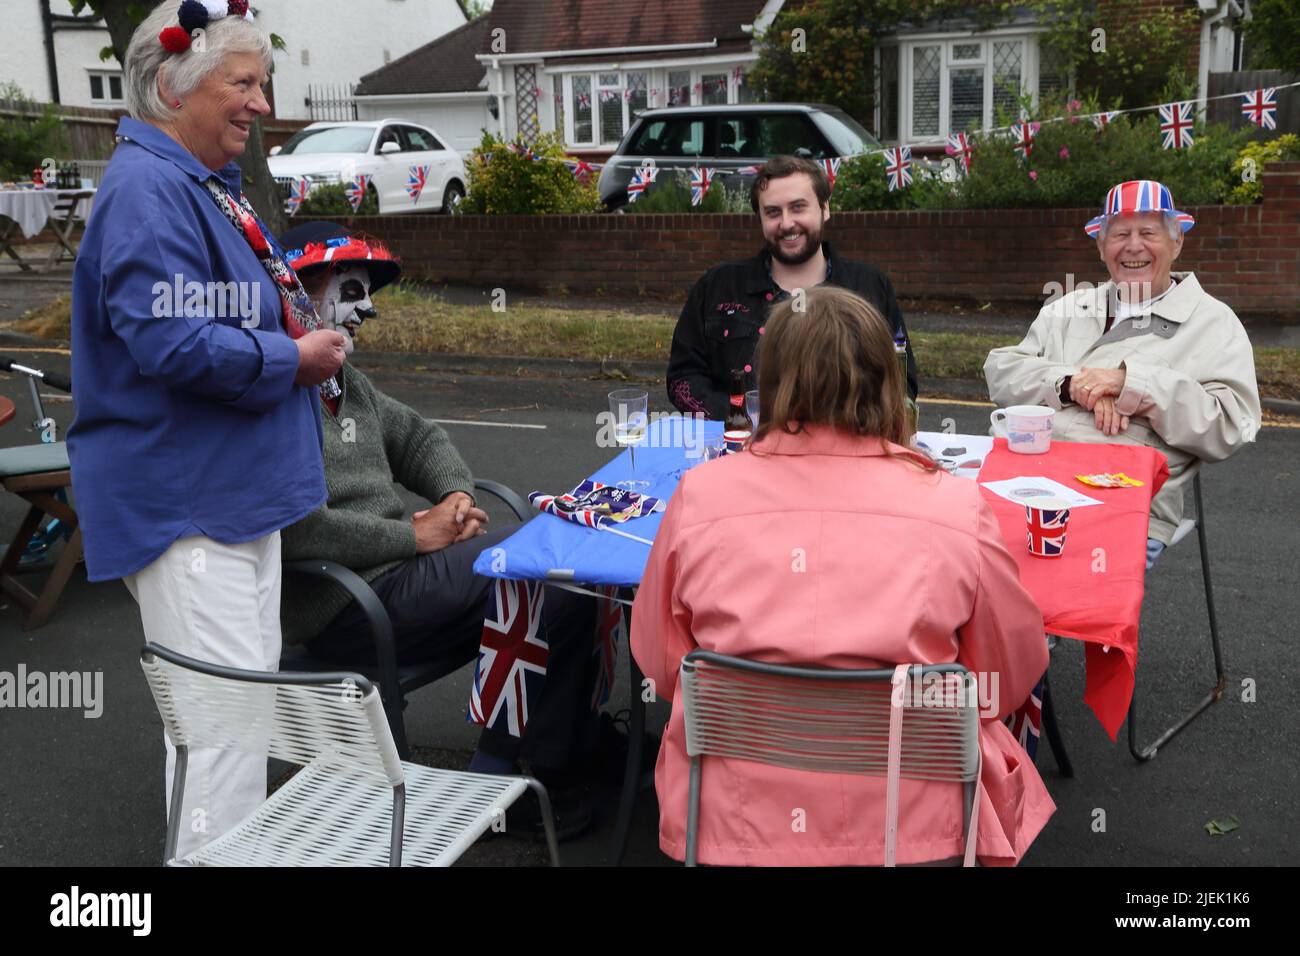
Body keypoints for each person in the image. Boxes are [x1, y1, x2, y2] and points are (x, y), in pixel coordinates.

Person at [632, 285, 1054, 866]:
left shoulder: (699, 497)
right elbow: (1006, 679)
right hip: (915, 828)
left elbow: (662, 663)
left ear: (772, 383)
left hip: (734, 820)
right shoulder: (956, 509)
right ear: (886, 380)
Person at [66, 0, 347, 860]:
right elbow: (172, 341)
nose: (262, 102)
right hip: (192, 510)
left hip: (226, 503)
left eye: (264, 82)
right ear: (169, 85)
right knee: (223, 731)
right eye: (243, 82)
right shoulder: (150, 189)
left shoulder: (194, 184)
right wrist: (293, 360)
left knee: (229, 722)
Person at [275, 222, 603, 834]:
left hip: (397, 582)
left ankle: (566, 752)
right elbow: (297, 530)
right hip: (346, 603)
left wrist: (453, 494)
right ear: (298, 292)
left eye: (369, 293)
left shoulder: (348, 383)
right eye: (351, 289)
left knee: (563, 570)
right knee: (543, 567)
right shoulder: (276, 395)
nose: (367, 309)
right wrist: (414, 537)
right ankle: (502, 777)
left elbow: (419, 436)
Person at [984, 180, 1261, 567]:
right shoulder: (1068, 306)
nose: (1133, 246)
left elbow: (1233, 426)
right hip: (1023, 482)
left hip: (1119, 501)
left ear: (1176, 243)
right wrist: (1070, 384)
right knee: (953, 552)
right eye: (1119, 234)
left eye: (1148, 233)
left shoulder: (1212, 322)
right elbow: (1001, 370)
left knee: (1060, 588)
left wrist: (1132, 384)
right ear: (1101, 247)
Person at [665, 155, 917, 420]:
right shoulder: (717, 286)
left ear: (825, 208)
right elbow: (682, 381)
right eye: (773, 212)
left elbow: (902, 384)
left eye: (798, 207)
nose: (786, 223)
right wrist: (742, 417)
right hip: (740, 449)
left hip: (840, 450)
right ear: (760, 218)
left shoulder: (870, 286)